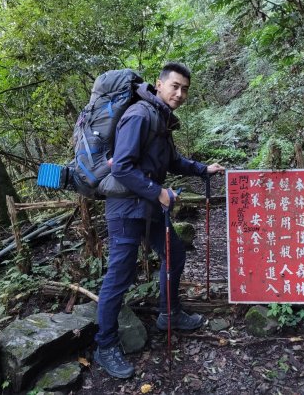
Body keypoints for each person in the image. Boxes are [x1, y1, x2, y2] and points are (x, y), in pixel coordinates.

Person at [93, 62, 225, 378]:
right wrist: (158, 191)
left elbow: (172, 161)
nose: (180, 93)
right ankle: (105, 344)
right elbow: (122, 167)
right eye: (175, 86)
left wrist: (201, 169)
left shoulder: (159, 118)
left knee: (174, 254)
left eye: (185, 89)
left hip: (148, 208)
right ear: (160, 84)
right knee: (119, 276)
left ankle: (169, 313)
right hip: (126, 209)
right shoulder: (140, 115)